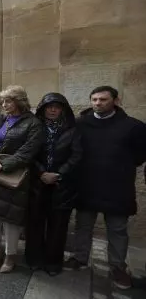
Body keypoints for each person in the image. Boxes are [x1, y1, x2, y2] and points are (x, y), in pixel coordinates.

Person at [64, 86, 146, 289]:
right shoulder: (81, 124)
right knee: (83, 226)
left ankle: (118, 267)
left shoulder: (133, 127)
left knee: (117, 230)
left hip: (117, 187)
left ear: (116, 101)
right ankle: (80, 258)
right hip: (87, 184)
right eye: (94, 99)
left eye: (103, 99)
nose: (98, 103)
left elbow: (139, 155)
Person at [0, 85, 44, 273]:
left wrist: (2, 165)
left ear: (19, 102)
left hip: (15, 178)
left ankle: (10, 256)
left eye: (8, 101)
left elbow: (28, 151)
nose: (4, 105)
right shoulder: (0, 120)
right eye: (2, 101)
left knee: (11, 220)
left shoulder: (33, 123)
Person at [24, 92, 82, 276]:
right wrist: (41, 173)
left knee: (58, 226)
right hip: (37, 184)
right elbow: (28, 153)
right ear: (42, 109)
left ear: (63, 109)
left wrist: (58, 174)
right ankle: (34, 259)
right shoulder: (34, 128)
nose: (53, 110)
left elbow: (77, 156)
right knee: (34, 223)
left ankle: (53, 263)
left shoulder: (72, 130)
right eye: (49, 106)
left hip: (62, 186)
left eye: (57, 107)